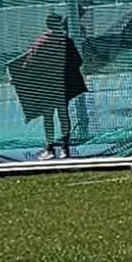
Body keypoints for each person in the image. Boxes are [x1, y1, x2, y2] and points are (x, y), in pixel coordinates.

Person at [11, 12, 88, 159]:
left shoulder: (42, 42)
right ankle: (65, 148)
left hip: (48, 86)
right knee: (63, 115)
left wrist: (19, 76)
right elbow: (78, 61)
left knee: (48, 117)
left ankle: (50, 149)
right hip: (62, 85)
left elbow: (29, 64)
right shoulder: (66, 41)